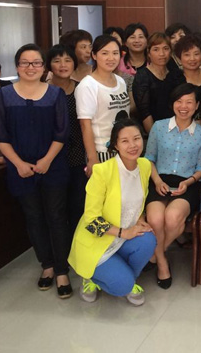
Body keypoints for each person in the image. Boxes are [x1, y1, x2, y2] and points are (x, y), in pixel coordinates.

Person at [0, 44, 73, 298]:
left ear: (43, 67)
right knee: (34, 217)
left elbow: (62, 132)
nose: (31, 67)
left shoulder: (55, 94)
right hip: (20, 168)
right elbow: (0, 135)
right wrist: (17, 163)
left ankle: (62, 270)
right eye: (25, 63)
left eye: (36, 63)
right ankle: (47, 265)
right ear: (17, 67)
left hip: (53, 165)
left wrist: (46, 160)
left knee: (56, 216)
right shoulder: (2, 96)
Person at [68, 119, 157, 306]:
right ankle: (91, 277)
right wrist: (124, 232)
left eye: (136, 138)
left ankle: (124, 277)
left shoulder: (144, 166)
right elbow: (91, 221)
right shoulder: (102, 172)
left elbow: (139, 200)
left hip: (122, 238)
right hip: (98, 241)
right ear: (115, 145)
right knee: (122, 286)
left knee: (149, 240)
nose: (132, 145)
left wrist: (140, 218)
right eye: (125, 141)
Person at [144, 83, 201, 289]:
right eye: (179, 101)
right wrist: (157, 181)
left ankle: (154, 256)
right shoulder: (159, 127)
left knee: (172, 218)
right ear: (173, 104)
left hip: (187, 184)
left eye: (189, 102)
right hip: (159, 180)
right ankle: (162, 261)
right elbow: (149, 159)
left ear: (197, 105)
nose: (184, 106)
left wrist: (188, 182)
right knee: (155, 219)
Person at [76, 35, 131, 176]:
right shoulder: (88, 85)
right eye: (105, 53)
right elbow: (85, 125)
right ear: (94, 55)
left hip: (125, 149)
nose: (111, 58)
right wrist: (92, 158)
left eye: (115, 53)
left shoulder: (120, 81)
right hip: (102, 151)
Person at [48, 44, 87, 233]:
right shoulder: (43, 91)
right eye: (57, 60)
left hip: (79, 153)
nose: (63, 65)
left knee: (78, 204)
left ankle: (77, 244)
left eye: (67, 60)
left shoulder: (82, 89)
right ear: (49, 65)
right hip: (51, 156)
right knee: (56, 207)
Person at [133, 32, 181, 133]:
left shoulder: (176, 74)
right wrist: (156, 136)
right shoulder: (142, 76)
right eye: (156, 49)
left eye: (166, 48)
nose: (161, 54)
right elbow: (144, 113)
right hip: (153, 131)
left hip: (177, 128)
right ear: (148, 53)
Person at [173, 34, 201, 102]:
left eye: (196, 54)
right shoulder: (173, 79)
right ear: (179, 57)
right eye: (187, 55)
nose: (192, 59)